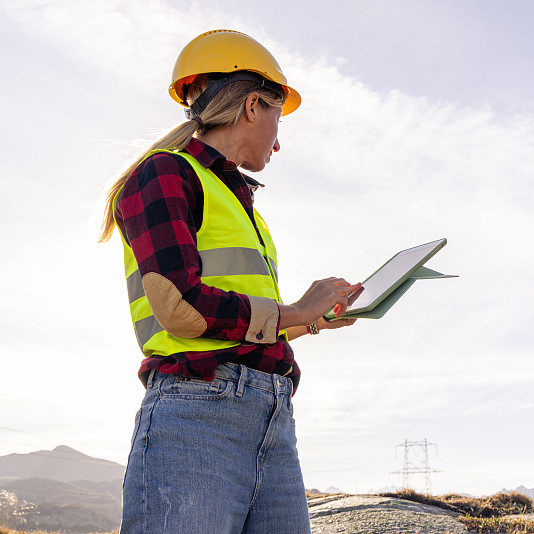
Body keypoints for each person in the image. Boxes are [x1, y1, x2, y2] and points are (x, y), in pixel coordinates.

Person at [98, 29, 362, 533]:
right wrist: (298, 311)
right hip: (199, 413)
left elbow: (244, 321)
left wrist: (311, 324)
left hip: (273, 418)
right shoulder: (164, 175)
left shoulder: (247, 211)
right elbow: (184, 310)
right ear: (252, 107)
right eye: (277, 121)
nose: (279, 143)